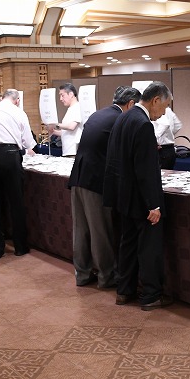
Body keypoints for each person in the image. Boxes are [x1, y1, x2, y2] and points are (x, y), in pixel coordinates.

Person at [103, 81, 174, 310]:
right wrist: (154, 205)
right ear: (155, 100)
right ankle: (151, 295)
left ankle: (124, 291)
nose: (163, 113)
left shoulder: (123, 117)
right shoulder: (143, 124)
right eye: (164, 107)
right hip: (141, 200)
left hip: (123, 196)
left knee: (128, 244)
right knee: (149, 248)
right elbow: (145, 169)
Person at [68, 86, 141, 289]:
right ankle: (106, 277)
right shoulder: (120, 119)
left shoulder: (98, 114)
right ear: (131, 104)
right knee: (100, 231)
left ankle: (82, 274)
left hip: (78, 177)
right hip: (95, 182)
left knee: (81, 230)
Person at [0, 89, 36, 259]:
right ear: (17, 100)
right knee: (16, 201)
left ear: (1, 97)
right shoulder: (18, 112)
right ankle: (20, 246)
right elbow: (27, 141)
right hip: (10, 155)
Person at [49, 83, 83, 157]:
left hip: (73, 151)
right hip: (67, 151)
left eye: (62, 95)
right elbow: (66, 133)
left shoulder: (77, 107)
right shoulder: (70, 109)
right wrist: (54, 131)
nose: (61, 99)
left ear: (71, 94)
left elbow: (71, 127)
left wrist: (56, 125)